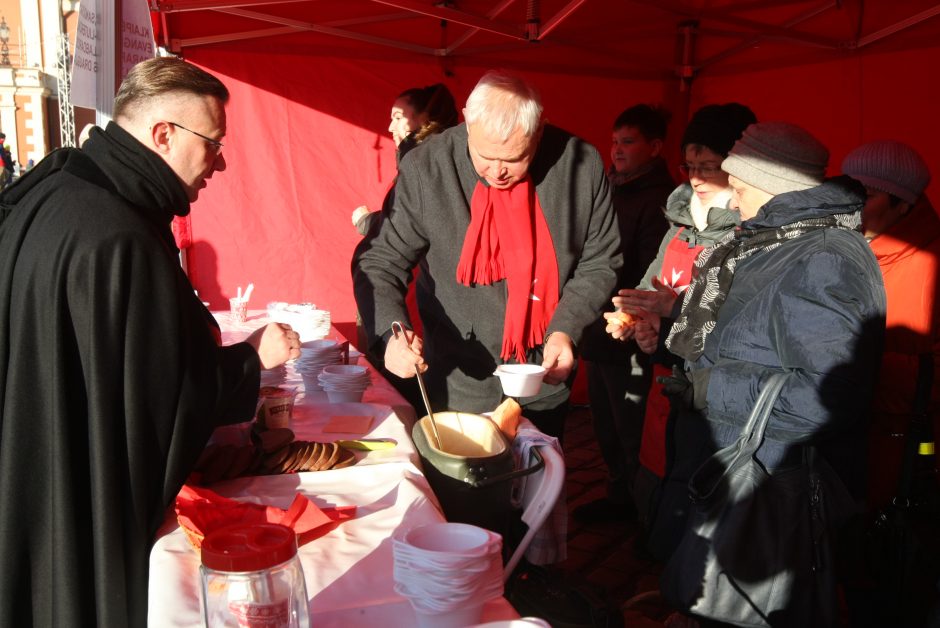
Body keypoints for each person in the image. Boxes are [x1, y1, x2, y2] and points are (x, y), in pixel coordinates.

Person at [0, 57, 302, 626]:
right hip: (77, 500)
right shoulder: (118, 233)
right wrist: (247, 363)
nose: (221, 162)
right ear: (164, 134)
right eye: (213, 144)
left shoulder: (65, 189)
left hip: (32, 464)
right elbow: (157, 397)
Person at [658, 121, 886, 624]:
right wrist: (665, 332)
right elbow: (748, 330)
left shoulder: (824, 256)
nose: (733, 203)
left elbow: (831, 397)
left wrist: (713, 387)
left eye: (738, 189)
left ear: (772, 188)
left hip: (768, 493)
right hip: (738, 468)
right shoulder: (779, 239)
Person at [353, 70, 621, 439]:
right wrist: (391, 333)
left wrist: (566, 329)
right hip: (459, 373)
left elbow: (599, 261)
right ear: (465, 119)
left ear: (539, 131)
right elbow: (381, 259)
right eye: (484, 155)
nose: (497, 171)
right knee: (463, 486)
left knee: (538, 479)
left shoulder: (580, 166)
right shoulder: (427, 167)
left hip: (542, 374)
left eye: (514, 159)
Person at [604, 103, 756, 555]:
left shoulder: (747, 237)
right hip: (667, 382)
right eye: (690, 166)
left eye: (709, 167)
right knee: (657, 474)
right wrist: (638, 320)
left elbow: (738, 320)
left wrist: (672, 311)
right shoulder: (680, 225)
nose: (696, 178)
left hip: (713, 395)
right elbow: (653, 285)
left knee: (698, 493)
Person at [575, 104, 673, 523]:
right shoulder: (610, 188)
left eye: (627, 142)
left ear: (654, 147)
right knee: (605, 423)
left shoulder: (661, 200)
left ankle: (642, 509)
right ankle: (619, 495)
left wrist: (628, 315)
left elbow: (650, 268)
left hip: (627, 328)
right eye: (614, 141)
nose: (616, 150)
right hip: (598, 324)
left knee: (630, 424)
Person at [841, 140, 940, 509]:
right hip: (839, 434)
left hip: (902, 447)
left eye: (865, 194)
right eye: (847, 191)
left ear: (904, 204)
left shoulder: (931, 260)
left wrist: (852, 362)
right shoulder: (837, 248)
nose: (852, 206)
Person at [352, 83, 459, 236]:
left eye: (398, 118)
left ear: (424, 119)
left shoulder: (422, 163)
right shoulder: (445, 154)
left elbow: (404, 223)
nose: (390, 127)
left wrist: (365, 221)